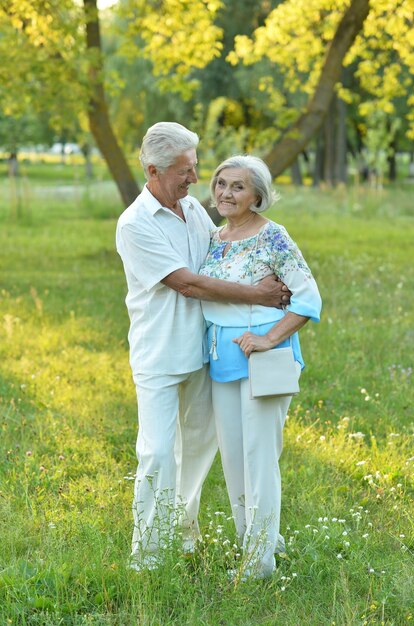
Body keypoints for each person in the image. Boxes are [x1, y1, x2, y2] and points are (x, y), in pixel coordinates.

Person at [115, 123, 290, 571]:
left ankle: (183, 531)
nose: (195, 179)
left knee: (196, 450)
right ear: (153, 170)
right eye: (184, 170)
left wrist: (270, 261)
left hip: (204, 352)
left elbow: (226, 258)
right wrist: (259, 294)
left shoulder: (192, 208)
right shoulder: (135, 224)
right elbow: (188, 283)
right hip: (159, 353)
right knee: (156, 451)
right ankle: (148, 555)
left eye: (195, 168)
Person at [199, 155, 322, 579]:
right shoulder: (214, 237)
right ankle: (257, 541)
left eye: (237, 187)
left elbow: (308, 298)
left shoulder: (274, 238)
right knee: (234, 458)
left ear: (257, 196)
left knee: (259, 457)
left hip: (265, 358)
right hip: (221, 358)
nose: (225, 193)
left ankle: (258, 564)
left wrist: (269, 339)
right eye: (220, 183)